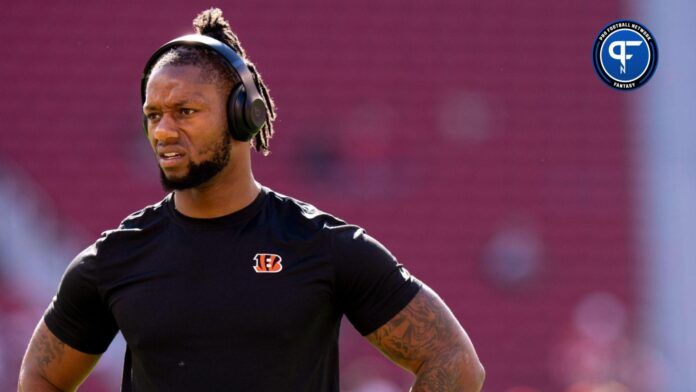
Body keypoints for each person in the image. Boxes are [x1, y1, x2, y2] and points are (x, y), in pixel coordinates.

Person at [18, 8, 484, 392]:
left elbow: (454, 360)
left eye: (185, 111)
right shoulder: (116, 257)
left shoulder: (319, 244)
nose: (162, 131)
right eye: (153, 114)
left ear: (244, 115)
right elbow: (41, 376)